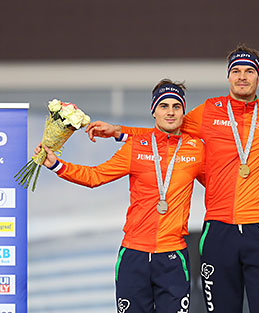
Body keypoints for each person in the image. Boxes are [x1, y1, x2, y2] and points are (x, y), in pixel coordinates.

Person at [86, 44, 259, 313]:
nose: (242, 76)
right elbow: (164, 131)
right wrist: (118, 131)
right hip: (219, 228)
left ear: (258, 77)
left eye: (249, 71)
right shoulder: (208, 111)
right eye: (237, 71)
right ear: (228, 76)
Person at [35, 79, 205, 313]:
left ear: (183, 112)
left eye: (176, 106)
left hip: (173, 256)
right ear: (153, 111)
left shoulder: (196, 149)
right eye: (164, 106)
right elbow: (96, 177)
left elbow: (221, 183)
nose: (170, 112)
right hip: (134, 255)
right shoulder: (136, 147)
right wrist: (58, 165)